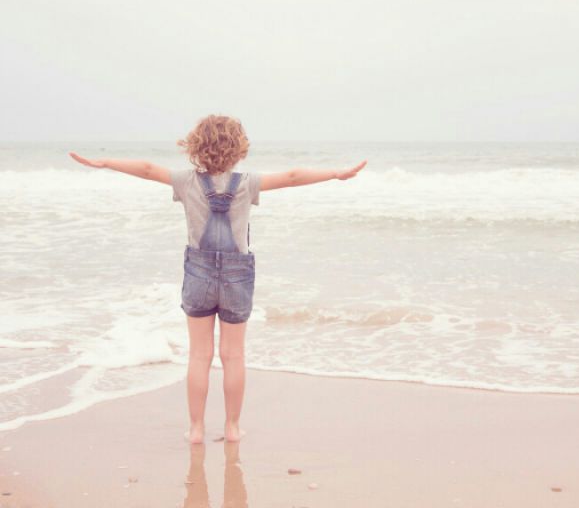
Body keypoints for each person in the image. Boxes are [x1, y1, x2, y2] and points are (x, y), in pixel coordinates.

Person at [68, 114, 367, 444]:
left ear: (196, 146)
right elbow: (293, 176)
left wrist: (106, 162)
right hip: (238, 276)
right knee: (233, 355)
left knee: (199, 355)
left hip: (198, 273)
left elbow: (148, 169)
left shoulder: (186, 181)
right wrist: (335, 173)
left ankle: (196, 429)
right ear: (239, 149)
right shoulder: (248, 182)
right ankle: (232, 428)